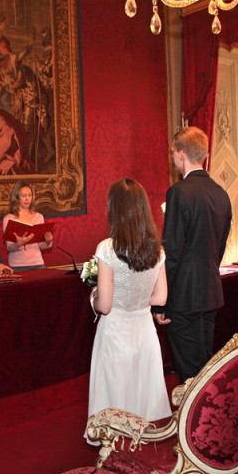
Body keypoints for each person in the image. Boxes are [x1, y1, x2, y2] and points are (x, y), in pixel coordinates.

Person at [86, 179, 172, 443]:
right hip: (144, 329)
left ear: (115, 210)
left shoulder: (107, 249)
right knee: (141, 388)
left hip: (115, 330)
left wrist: (93, 297)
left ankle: (114, 444)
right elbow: (161, 297)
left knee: (115, 389)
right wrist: (139, 300)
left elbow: (106, 305)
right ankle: (142, 443)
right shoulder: (156, 249)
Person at [154, 127, 232, 383]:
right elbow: (219, 248)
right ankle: (209, 418)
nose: (171, 157)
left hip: (184, 298)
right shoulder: (221, 194)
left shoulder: (179, 192)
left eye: (172, 151)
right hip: (211, 292)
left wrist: (162, 302)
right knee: (205, 366)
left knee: (189, 373)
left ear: (182, 153)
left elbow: (172, 252)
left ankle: (196, 421)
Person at [2, 181, 53, 272]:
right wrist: (19, 243)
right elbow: (9, 247)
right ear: (16, 197)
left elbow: (40, 245)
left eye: (30, 195)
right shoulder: (9, 218)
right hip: (17, 265)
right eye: (23, 195)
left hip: (37, 264)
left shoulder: (39, 217)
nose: (27, 199)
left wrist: (48, 242)